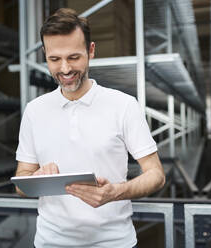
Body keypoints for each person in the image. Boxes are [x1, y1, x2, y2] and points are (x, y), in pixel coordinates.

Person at [15, 8, 165, 248]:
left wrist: (115, 192)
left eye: (74, 57)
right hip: (50, 242)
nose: (64, 69)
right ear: (45, 55)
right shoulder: (34, 111)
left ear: (91, 51)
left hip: (115, 242)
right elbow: (21, 182)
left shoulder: (123, 105)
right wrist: (35, 179)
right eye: (54, 59)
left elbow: (156, 175)